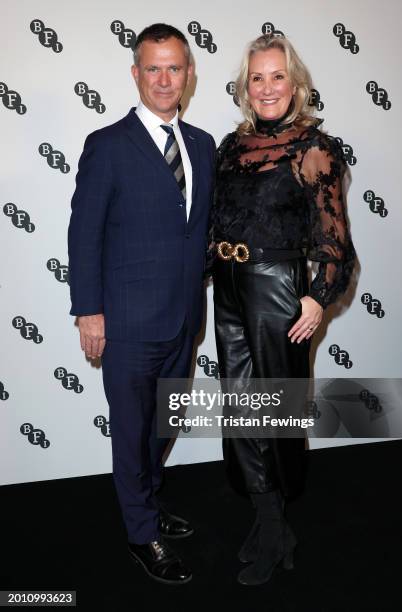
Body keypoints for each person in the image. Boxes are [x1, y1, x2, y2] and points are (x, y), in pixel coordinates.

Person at [68, 23, 215, 585]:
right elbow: (84, 235)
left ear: (188, 74)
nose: (163, 78)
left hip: (184, 319)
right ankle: (140, 534)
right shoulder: (107, 145)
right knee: (131, 431)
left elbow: (197, 233)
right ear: (135, 73)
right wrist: (89, 311)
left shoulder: (201, 144)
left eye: (173, 67)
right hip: (126, 321)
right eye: (152, 67)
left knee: (166, 423)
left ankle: (146, 505)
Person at [209, 34, 356, 586]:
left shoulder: (313, 147)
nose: (267, 87)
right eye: (256, 77)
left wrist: (320, 295)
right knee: (240, 406)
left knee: (275, 405)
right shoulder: (230, 146)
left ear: (295, 84)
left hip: (277, 286)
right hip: (226, 283)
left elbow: (335, 237)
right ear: (245, 86)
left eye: (277, 77)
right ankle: (268, 518)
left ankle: (277, 524)